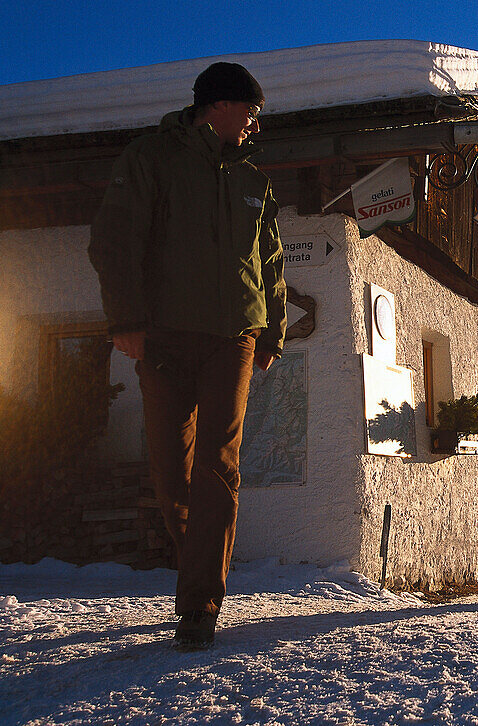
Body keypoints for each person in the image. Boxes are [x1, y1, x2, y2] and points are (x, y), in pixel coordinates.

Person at [88, 62, 286, 650]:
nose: (254, 127)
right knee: (171, 471)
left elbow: (271, 265)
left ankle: (199, 605)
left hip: (235, 339)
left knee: (218, 465)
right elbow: (114, 239)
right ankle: (193, 566)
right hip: (166, 336)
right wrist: (125, 320)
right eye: (250, 114)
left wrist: (272, 332)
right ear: (218, 107)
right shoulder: (153, 158)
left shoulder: (255, 181)